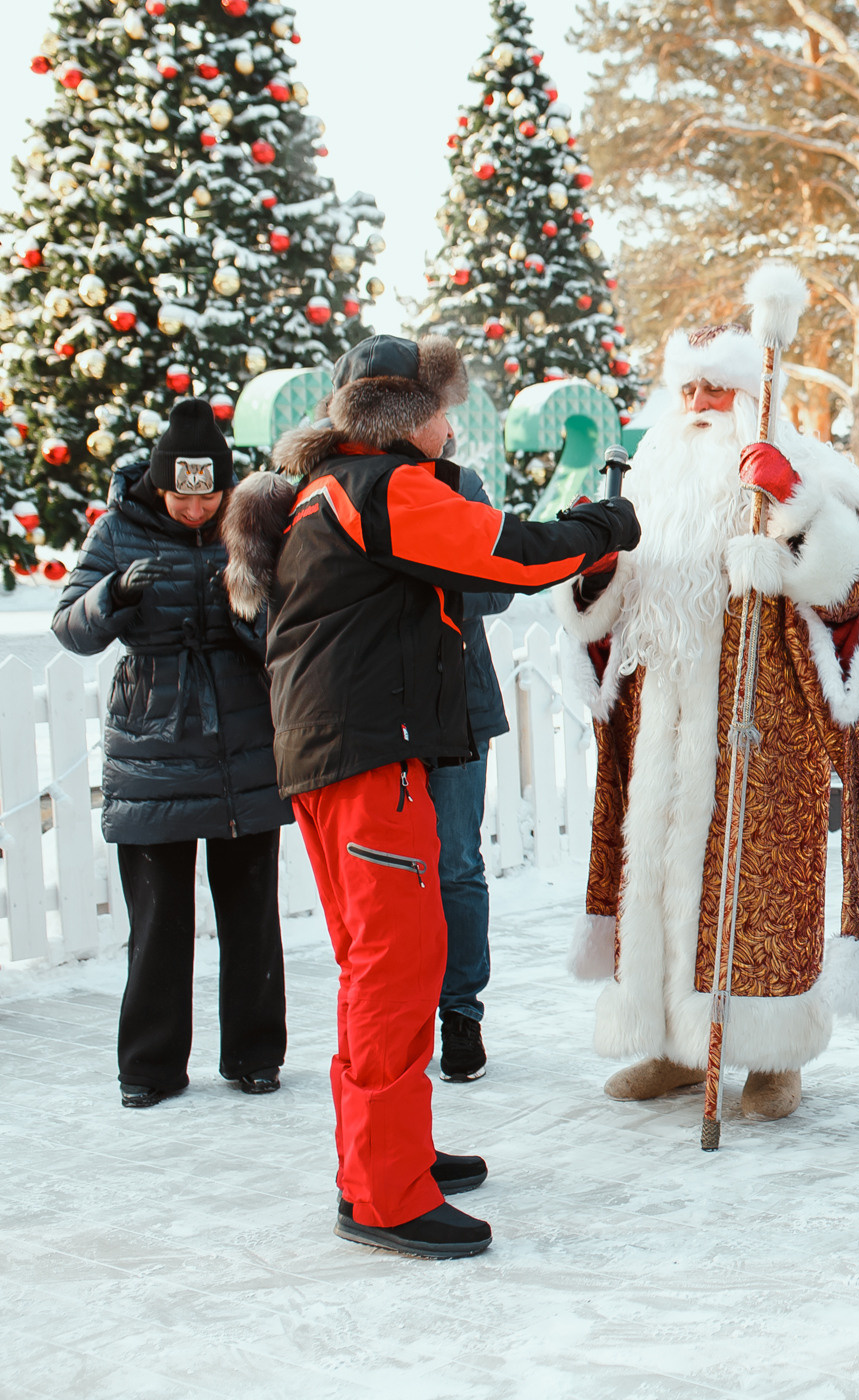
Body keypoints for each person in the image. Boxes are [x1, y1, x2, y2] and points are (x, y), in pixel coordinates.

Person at [224, 333, 639, 1260]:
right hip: (372, 762)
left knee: (381, 967)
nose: (454, 428)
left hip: (342, 759)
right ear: (405, 417)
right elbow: (509, 555)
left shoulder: (331, 488)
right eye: (446, 410)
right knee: (397, 969)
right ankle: (383, 1194)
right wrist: (603, 526)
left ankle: (389, 1151)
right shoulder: (384, 486)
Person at [552, 300, 859, 1123]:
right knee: (663, 878)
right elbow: (605, 618)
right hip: (664, 723)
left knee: (759, 887)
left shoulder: (806, 471)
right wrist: (592, 575)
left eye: (717, 390)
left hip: (763, 727)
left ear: (749, 396)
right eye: (689, 389)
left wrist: (795, 516)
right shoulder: (649, 483)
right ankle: (674, 1044)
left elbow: (852, 593)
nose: (700, 404)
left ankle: (774, 1056)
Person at [52, 399, 293, 1109]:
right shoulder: (117, 530)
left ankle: (255, 1054)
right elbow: (70, 625)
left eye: (208, 498)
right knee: (158, 919)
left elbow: (288, 625)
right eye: (181, 498)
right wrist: (112, 596)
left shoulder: (251, 527)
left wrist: (246, 615)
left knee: (252, 912)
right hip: (152, 744)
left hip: (243, 741)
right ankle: (149, 1067)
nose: (195, 510)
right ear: (159, 486)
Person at [431, 463, 512, 1085]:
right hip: (382, 710)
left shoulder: (462, 485)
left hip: (460, 703)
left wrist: (421, 581)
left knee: (457, 862)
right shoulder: (357, 479)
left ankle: (461, 1012)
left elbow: (499, 580)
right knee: (390, 871)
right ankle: (399, 1012)